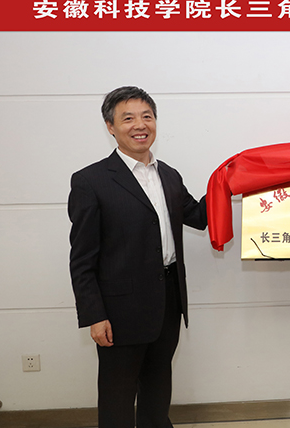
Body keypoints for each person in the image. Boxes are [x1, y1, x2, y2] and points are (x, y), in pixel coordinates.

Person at [68, 86, 207, 428]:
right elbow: (82, 258)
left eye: (147, 116)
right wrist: (95, 315)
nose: (140, 125)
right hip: (119, 311)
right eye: (128, 118)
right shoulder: (91, 181)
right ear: (110, 127)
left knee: (158, 389)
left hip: (168, 301)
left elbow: (199, 216)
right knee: (117, 396)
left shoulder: (169, 175)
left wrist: (232, 183)